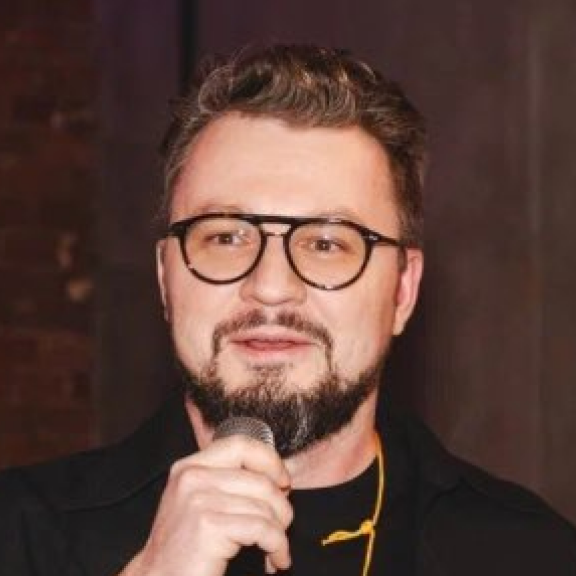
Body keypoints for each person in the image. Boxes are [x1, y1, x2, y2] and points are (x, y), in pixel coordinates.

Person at [0, 43, 574, 576]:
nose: (271, 287)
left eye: (326, 243)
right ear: (165, 279)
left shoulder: (530, 555)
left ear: (403, 290)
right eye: (225, 237)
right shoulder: (20, 534)